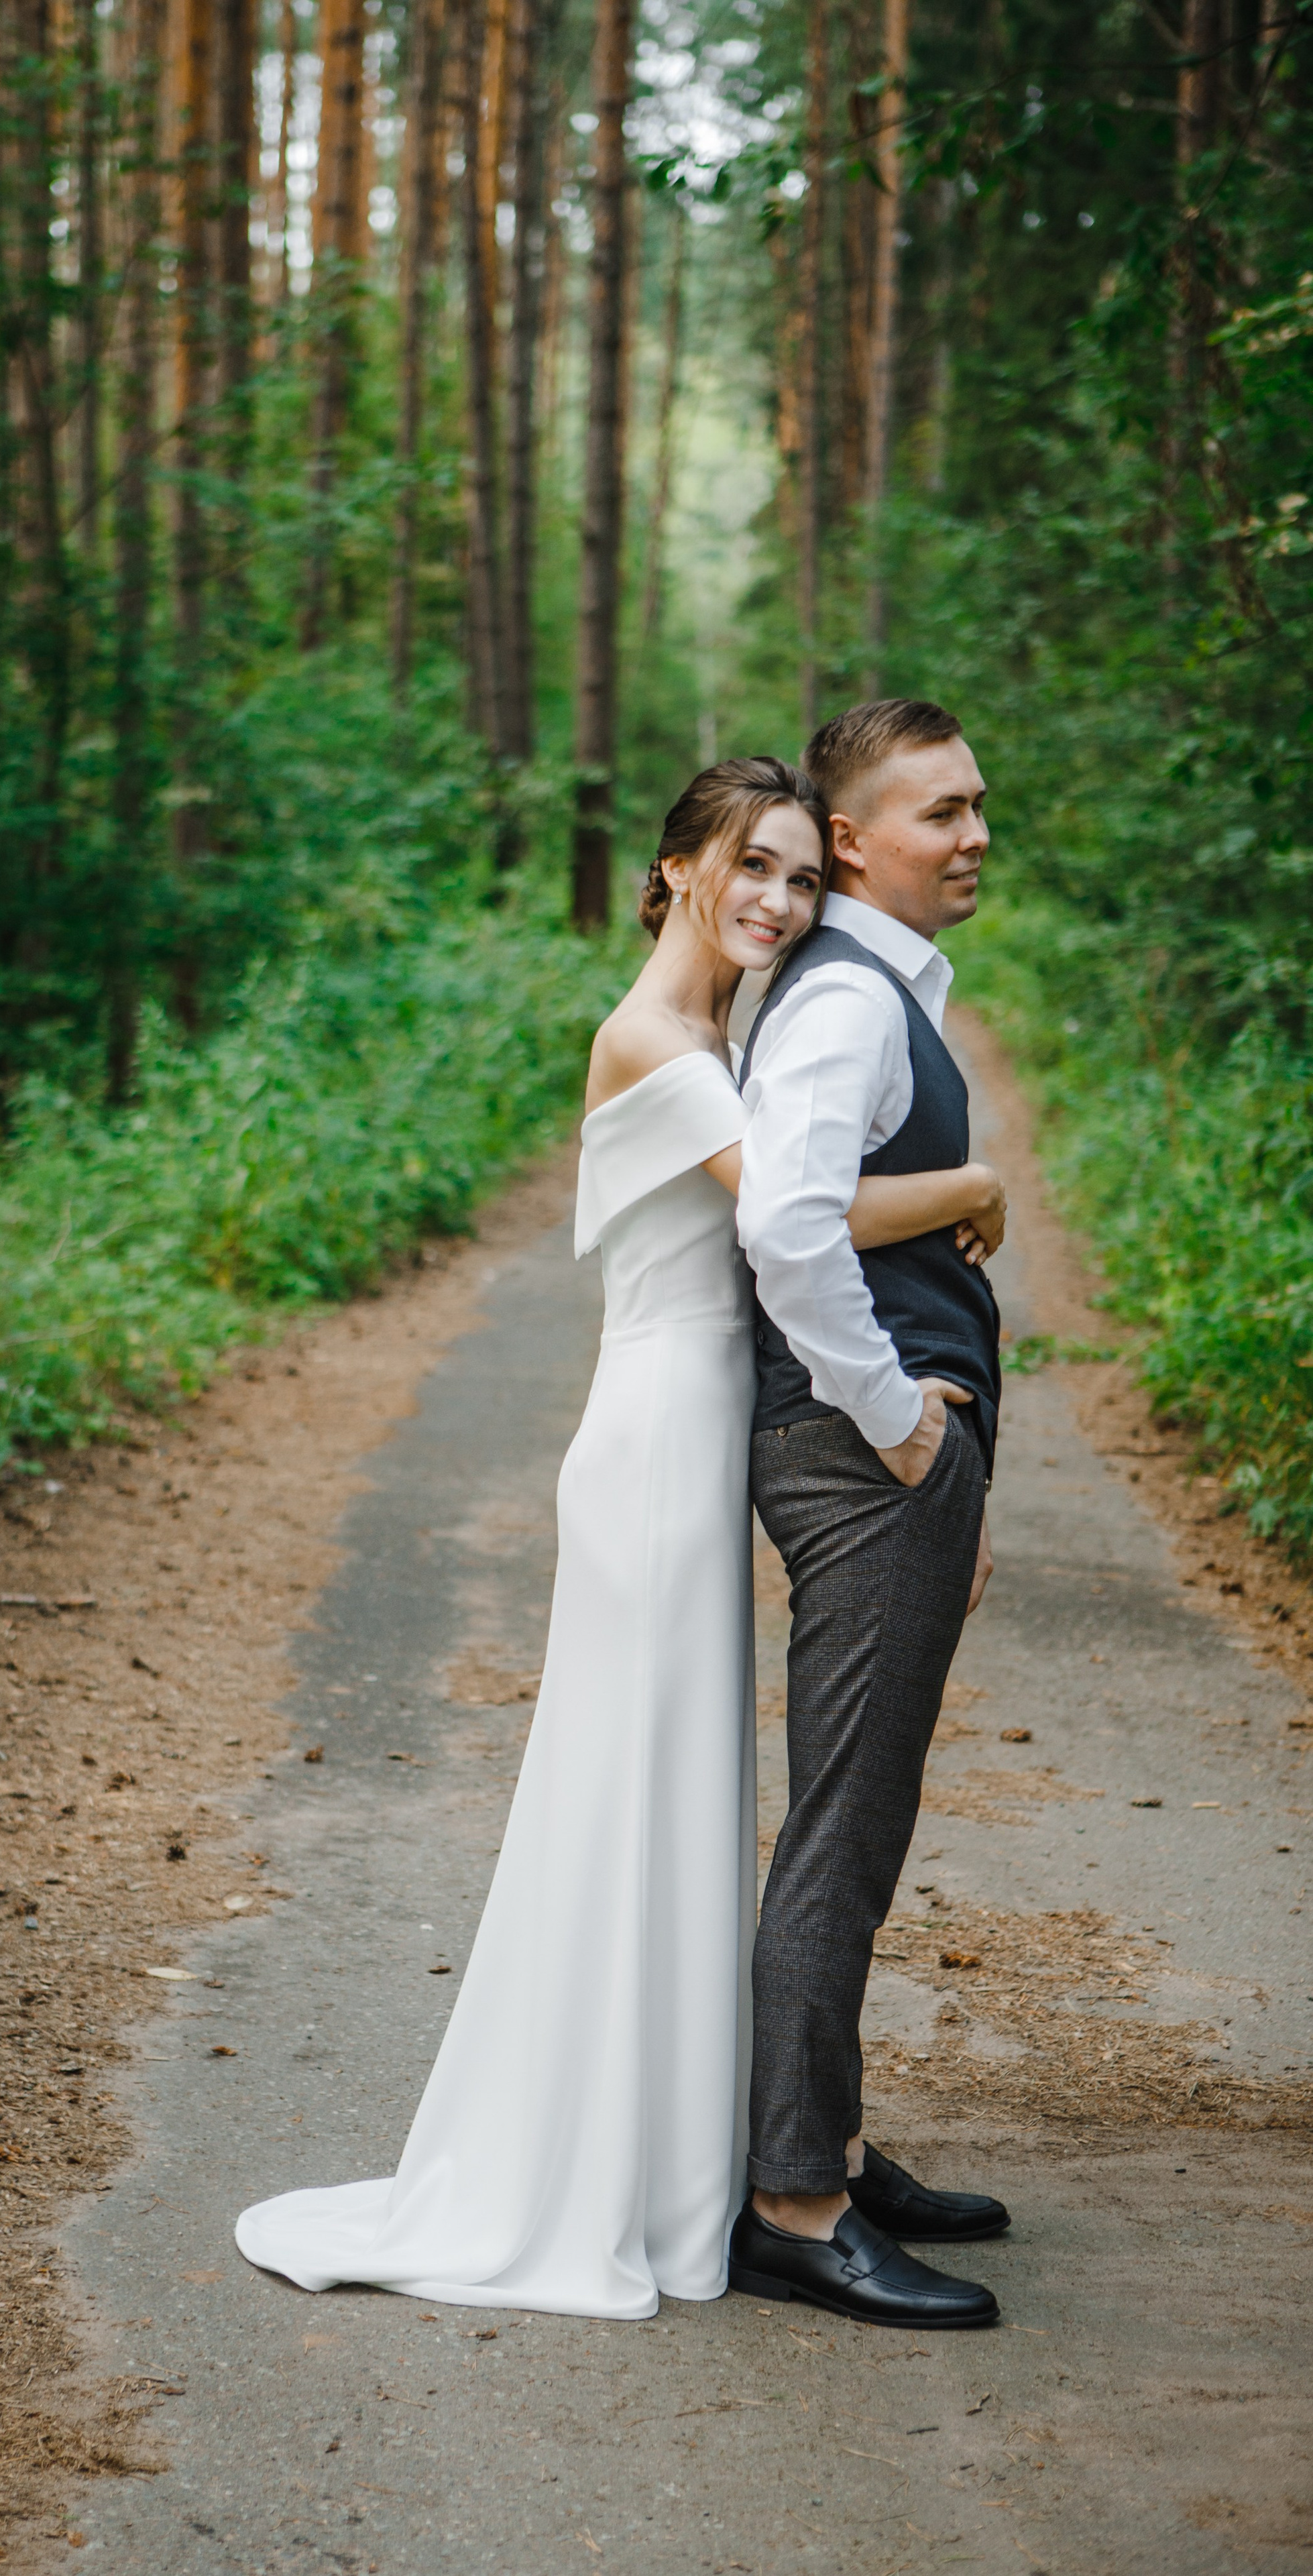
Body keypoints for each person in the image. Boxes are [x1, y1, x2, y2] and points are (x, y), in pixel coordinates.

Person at [234, 757, 1007, 2322]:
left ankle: (699, 2156)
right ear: (671, 872)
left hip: (698, 1436)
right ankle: (608, 2174)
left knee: (674, 1802)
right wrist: (970, 1183)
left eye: (801, 877)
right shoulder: (650, 1038)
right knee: (630, 1798)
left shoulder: (723, 1028)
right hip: (654, 1440)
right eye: (751, 868)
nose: (780, 902)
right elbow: (785, 1210)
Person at [728, 698, 1011, 2332]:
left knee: (861, 1816)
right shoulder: (844, 1000)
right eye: (936, 813)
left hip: (880, 1455)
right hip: (860, 1455)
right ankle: (793, 2202)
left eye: (978, 807)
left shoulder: (866, 986)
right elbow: (785, 1223)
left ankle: (819, 2131)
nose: (971, 835)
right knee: (843, 1828)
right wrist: (899, 1421)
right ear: (848, 837)